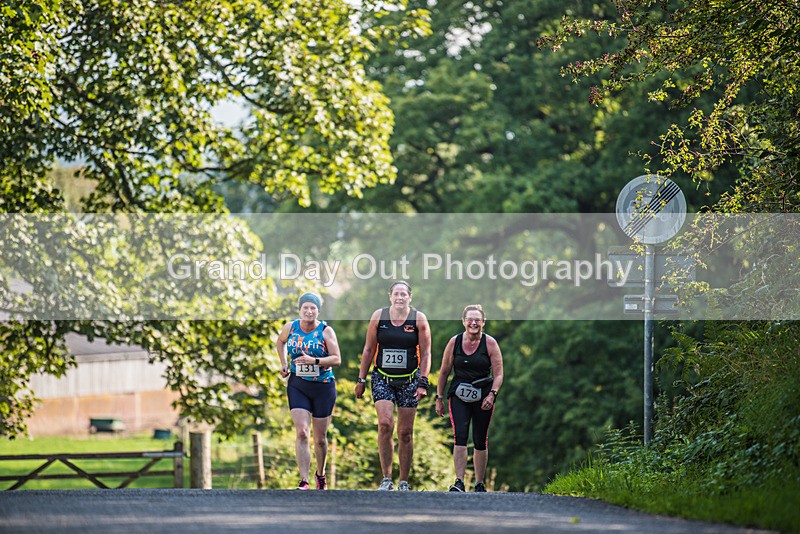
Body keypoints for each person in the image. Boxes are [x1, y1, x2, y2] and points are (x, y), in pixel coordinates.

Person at [354, 280, 431, 491]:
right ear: (390, 297)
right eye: (396, 294)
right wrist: (361, 379)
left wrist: (422, 382)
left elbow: (426, 353)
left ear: (409, 297)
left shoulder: (419, 319)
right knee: (385, 424)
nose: (399, 297)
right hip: (382, 378)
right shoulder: (379, 317)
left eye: (403, 294)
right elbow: (369, 349)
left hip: (409, 380)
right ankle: (386, 478)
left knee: (405, 432)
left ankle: (403, 481)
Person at [435, 304, 504, 493]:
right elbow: (444, 372)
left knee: (480, 438)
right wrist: (439, 397)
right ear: (464, 322)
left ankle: (480, 483)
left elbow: (498, 374)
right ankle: (459, 481)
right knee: (461, 435)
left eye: (477, 320)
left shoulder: (490, 344)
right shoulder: (454, 342)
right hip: (458, 394)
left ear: (483, 322)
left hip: (484, 395)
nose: (473, 323)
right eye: (469, 319)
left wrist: (492, 394)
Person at [277, 292, 341, 490]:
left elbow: (337, 359)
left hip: (323, 387)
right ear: (300, 310)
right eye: (305, 307)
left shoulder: (326, 331)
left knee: (320, 439)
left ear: (318, 311)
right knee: (302, 433)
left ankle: (320, 475)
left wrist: (315, 361)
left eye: (313, 308)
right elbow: (280, 342)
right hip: (298, 385)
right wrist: (283, 364)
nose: (309, 311)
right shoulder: (291, 327)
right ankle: (303, 481)